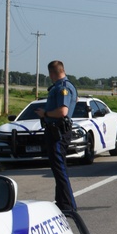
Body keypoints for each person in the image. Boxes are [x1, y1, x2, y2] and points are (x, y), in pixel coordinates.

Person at [36, 60, 79, 213]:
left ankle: (68, 206)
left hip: (57, 132)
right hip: (56, 131)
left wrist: (45, 113)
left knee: (60, 169)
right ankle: (61, 202)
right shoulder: (68, 86)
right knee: (58, 169)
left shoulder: (63, 88)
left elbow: (63, 112)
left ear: (52, 73)